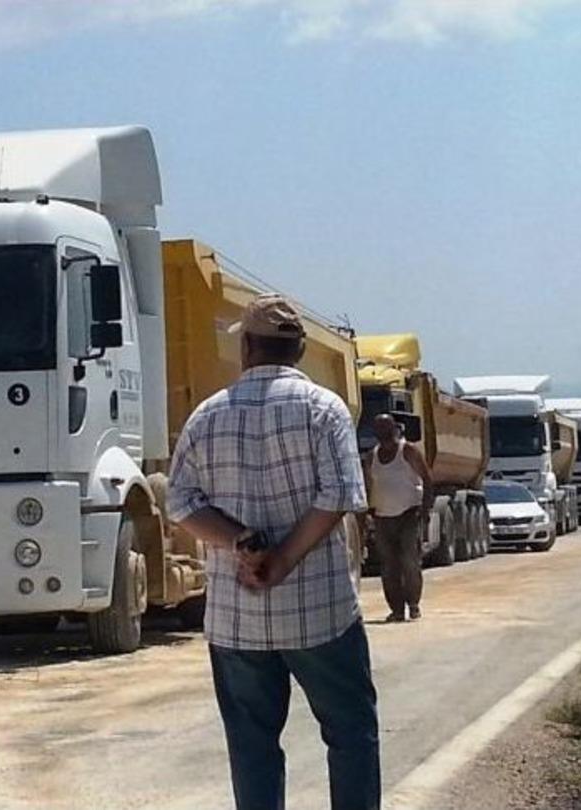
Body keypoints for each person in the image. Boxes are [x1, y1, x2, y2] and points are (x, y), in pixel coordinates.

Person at [167, 293, 379, 810]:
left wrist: (242, 544)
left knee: (253, 745)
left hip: (236, 620)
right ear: (301, 348)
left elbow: (180, 503)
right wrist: (282, 560)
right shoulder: (325, 410)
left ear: (246, 348)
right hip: (320, 613)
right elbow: (340, 496)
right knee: (349, 732)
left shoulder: (205, 418)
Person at [365, 413, 435, 623]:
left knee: (409, 562)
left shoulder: (409, 451)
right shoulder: (372, 456)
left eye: (386, 427)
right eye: (378, 429)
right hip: (382, 517)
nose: (383, 433)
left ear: (395, 428)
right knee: (388, 566)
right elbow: (368, 485)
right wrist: (367, 514)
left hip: (408, 513)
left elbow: (427, 479)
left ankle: (413, 604)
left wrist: (425, 510)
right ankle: (396, 609)